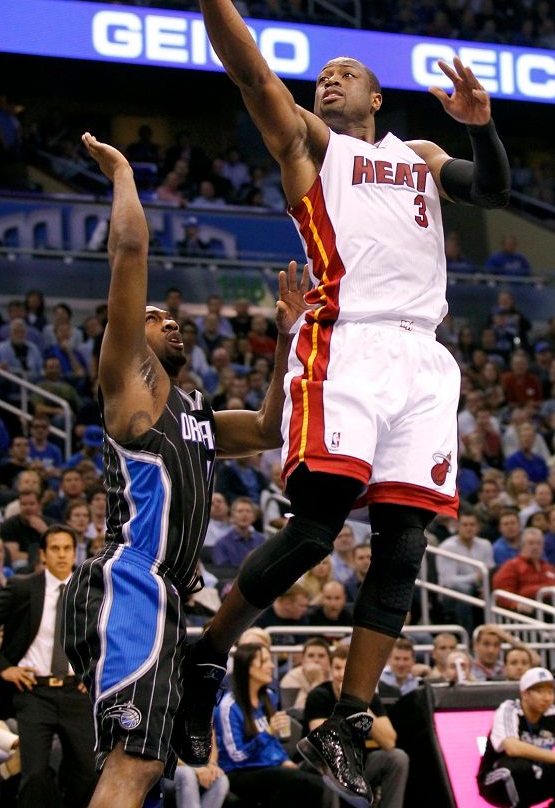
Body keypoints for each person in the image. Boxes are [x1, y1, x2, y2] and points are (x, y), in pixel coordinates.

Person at [152, 0, 511, 807]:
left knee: (401, 549)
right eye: (323, 74)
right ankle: (205, 654)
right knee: (315, 529)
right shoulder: (311, 151)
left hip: (423, 360)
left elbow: (497, 190)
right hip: (344, 341)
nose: (331, 79)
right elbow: (249, 75)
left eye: (347, 72)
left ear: (377, 96)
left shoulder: (422, 152)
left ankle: (346, 720)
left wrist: (479, 119)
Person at [62, 133, 309, 808]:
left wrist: (287, 338)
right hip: (131, 578)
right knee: (133, 766)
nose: (169, 319)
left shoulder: (194, 416)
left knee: (151, 769)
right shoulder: (129, 390)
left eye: (172, 315)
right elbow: (131, 251)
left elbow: (264, 429)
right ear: (123, 339)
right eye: (153, 316)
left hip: (167, 594)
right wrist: (121, 174)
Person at [0, 524, 96, 807]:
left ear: (74, 553)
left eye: (67, 548)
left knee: (88, 773)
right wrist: (4, 666)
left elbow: (106, 637)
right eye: (55, 548)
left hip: (76, 693)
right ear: (42, 554)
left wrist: (91, 672)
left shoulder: (89, 592)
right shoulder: (22, 587)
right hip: (33, 691)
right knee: (35, 773)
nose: (62, 555)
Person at [214, 642, 326, 808]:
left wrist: (284, 760)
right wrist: (268, 731)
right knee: (298, 782)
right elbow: (236, 756)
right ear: (249, 668)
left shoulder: (269, 696)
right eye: (265, 661)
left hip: (270, 767)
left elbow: (274, 742)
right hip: (239, 772)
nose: (271, 665)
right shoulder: (228, 706)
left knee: (319, 775)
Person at [306, 643, 409, 808]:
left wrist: (358, 705)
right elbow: (325, 746)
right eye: (337, 668)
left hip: (359, 766)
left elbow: (389, 742)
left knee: (397, 757)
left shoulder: (369, 697)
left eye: (346, 669)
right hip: (322, 766)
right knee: (333, 767)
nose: (341, 674)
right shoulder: (319, 696)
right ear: (331, 670)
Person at [477, 666, 555, 807]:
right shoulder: (509, 709)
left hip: (535, 775)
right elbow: (512, 748)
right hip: (494, 780)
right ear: (525, 694)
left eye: (550, 691)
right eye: (540, 691)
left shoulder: (552, 714)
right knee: (519, 767)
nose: (547, 697)